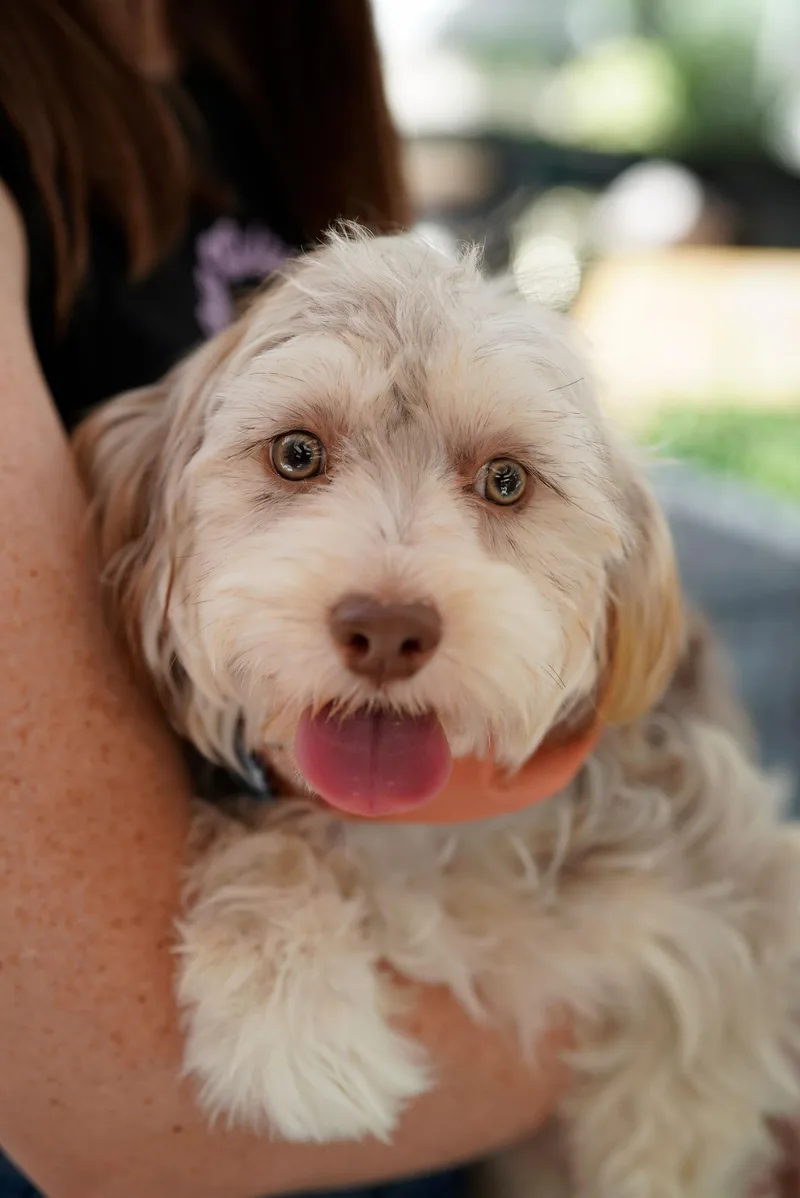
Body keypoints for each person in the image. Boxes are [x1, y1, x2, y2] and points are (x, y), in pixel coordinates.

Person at [0, 3, 571, 1196]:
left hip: (408, 1014)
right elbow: (118, 1099)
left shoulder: (264, 70)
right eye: (298, 460)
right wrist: (710, 1008)